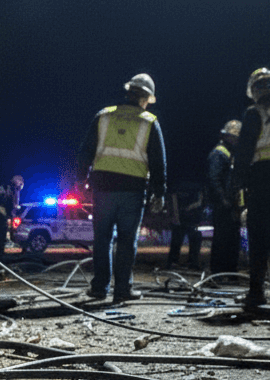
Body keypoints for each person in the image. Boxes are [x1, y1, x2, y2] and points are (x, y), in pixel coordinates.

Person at [76, 73, 167, 304]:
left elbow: (86, 151)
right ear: (146, 98)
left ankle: (99, 288)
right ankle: (123, 289)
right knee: (127, 240)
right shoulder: (149, 121)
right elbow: (158, 162)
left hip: (103, 187)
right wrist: (159, 192)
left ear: (128, 92)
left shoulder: (103, 116)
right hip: (133, 190)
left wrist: (80, 180)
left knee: (102, 238)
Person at [231, 67, 270, 310]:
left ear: (254, 91)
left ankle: (256, 293)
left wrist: (236, 184)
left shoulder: (254, 114)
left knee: (259, 237)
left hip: (262, 178)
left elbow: (244, 153)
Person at [207, 120, 243, 274]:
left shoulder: (229, 154)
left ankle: (229, 271)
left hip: (230, 204)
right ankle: (219, 272)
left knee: (232, 239)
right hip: (224, 206)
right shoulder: (219, 153)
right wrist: (223, 200)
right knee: (222, 239)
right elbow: (213, 179)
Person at [165, 180, 205, 271]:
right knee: (191, 234)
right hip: (191, 198)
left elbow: (173, 195)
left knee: (179, 234)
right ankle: (192, 262)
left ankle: (175, 261)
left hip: (185, 196)